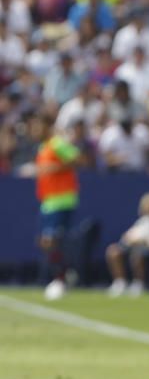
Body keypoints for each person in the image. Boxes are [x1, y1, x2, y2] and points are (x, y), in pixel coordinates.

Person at [32, 112, 80, 300]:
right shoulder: (43, 148)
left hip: (62, 199)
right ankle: (64, 274)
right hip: (48, 201)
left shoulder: (57, 144)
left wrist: (55, 168)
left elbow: (76, 159)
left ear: (47, 127)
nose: (35, 130)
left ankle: (61, 278)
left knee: (52, 240)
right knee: (46, 241)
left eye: (38, 126)